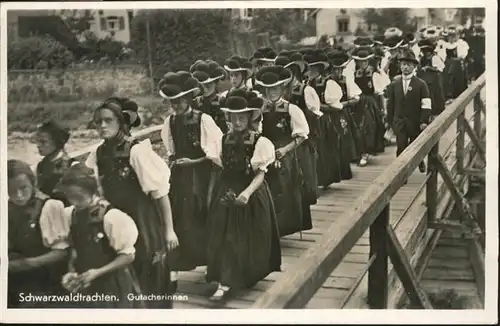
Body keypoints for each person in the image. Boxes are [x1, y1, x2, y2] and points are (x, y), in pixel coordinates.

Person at [86, 97, 178, 308]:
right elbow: (91, 184)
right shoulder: (97, 153)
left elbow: (160, 193)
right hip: (115, 220)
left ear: (120, 122)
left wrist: (169, 230)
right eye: (98, 121)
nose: (102, 126)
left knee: (147, 269)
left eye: (108, 120)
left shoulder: (135, 151)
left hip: (142, 219)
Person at [205, 89, 281, 301]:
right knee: (224, 235)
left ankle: (243, 275)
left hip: (250, 192)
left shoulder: (259, 142)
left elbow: (260, 175)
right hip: (226, 191)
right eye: (233, 117)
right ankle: (224, 280)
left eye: (242, 117)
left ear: (249, 118)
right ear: (228, 118)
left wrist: (246, 193)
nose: (237, 122)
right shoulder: (222, 140)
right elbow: (221, 167)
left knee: (247, 236)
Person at [159, 72, 223, 290]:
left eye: (178, 101)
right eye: (172, 102)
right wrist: (173, 163)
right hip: (179, 177)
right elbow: (171, 150)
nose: (174, 105)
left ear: (188, 100)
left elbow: (214, 153)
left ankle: (210, 265)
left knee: (201, 215)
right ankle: (174, 270)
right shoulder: (170, 121)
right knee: (177, 217)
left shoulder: (203, 119)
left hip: (200, 175)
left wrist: (192, 161)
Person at [56, 163, 145, 308]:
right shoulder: (70, 215)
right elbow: (74, 247)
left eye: (78, 197)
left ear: (92, 191)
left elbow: (128, 256)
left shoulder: (111, 217)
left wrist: (98, 272)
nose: (73, 202)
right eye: (69, 197)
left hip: (113, 283)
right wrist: (71, 270)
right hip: (87, 282)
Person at [254, 65, 312, 237]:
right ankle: (268, 228)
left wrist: (286, 149)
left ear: (281, 88)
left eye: (275, 88)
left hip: (283, 155)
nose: (271, 92)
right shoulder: (260, 110)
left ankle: (283, 228)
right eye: (268, 89)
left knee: (283, 190)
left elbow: (302, 136)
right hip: (265, 154)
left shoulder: (290, 109)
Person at [7, 159, 69, 308]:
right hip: (15, 275)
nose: (19, 195)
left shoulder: (49, 207)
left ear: (33, 183)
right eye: (10, 190)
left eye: (24, 188)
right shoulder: (7, 207)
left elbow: (62, 252)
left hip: (45, 278)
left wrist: (28, 263)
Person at [275, 51, 321, 205]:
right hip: (285, 137)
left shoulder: (305, 90)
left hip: (303, 136)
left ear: (293, 73)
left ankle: (307, 196)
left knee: (305, 166)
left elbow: (315, 112)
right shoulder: (279, 92)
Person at [386, 50, 432, 173]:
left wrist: (423, 121)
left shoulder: (421, 84)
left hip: (415, 121)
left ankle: (420, 160)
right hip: (399, 121)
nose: (405, 67)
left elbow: (426, 104)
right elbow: (390, 104)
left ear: (414, 67)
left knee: (414, 145)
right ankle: (401, 173)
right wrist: (389, 121)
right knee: (401, 146)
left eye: (409, 65)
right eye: (403, 64)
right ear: (400, 66)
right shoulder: (394, 84)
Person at [303, 49, 343, 187]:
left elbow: (336, 107)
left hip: (323, 120)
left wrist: (320, 107)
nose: (310, 71)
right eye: (308, 68)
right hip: (308, 119)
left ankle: (325, 179)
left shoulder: (327, 83)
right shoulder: (305, 84)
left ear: (319, 68)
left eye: (312, 68)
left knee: (324, 148)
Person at [351, 47, 388, 166]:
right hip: (357, 102)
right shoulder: (355, 73)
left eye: (365, 61)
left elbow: (380, 93)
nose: (363, 63)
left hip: (370, 102)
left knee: (368, 127)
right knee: (356, 126)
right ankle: (358, 152)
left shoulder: (374, 73)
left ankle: (365, 153)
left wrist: (383, 109)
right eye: (360, 61)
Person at [326, 49, 365, 167]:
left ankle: (357, 156)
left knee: (352, 133)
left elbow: (356, 97)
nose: (338, 72)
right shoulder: (326, 82)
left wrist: (346, 103)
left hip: (343, 111)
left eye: (340, 69)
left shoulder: (345, 80)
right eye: (335, 69)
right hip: (328, 113)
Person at [34, 120, 76, 205]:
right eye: (37, 141)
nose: (38, 145)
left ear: (57, 142)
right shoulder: (41, 165)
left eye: (43, 142)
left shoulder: (71, 166)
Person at [190, 60, 229, 134]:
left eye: (208, 84)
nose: (205, 88)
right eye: (202, 85)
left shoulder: (222, 101)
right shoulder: (194, 103)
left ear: (215, 83)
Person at [416, 38, 446, 121]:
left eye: (426, 51)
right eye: (423, 51)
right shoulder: (422, 58)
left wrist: (429, 67)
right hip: (425, 79)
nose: (424, 53)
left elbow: (439, 68)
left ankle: (435, 112)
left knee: (434, 95)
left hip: (433, 79)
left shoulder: (434, 57)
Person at [443, 25, 470, 103]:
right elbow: (443, 55)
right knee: (448, 79)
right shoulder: (445, 45)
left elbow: (462, 56)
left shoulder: (461, 43)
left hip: (457, 64)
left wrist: (458, 59)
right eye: (450, 36)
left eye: (453, 36)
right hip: (448, 64)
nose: (451, 38)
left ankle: (459, 95)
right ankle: (449, 95)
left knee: (458, 80)